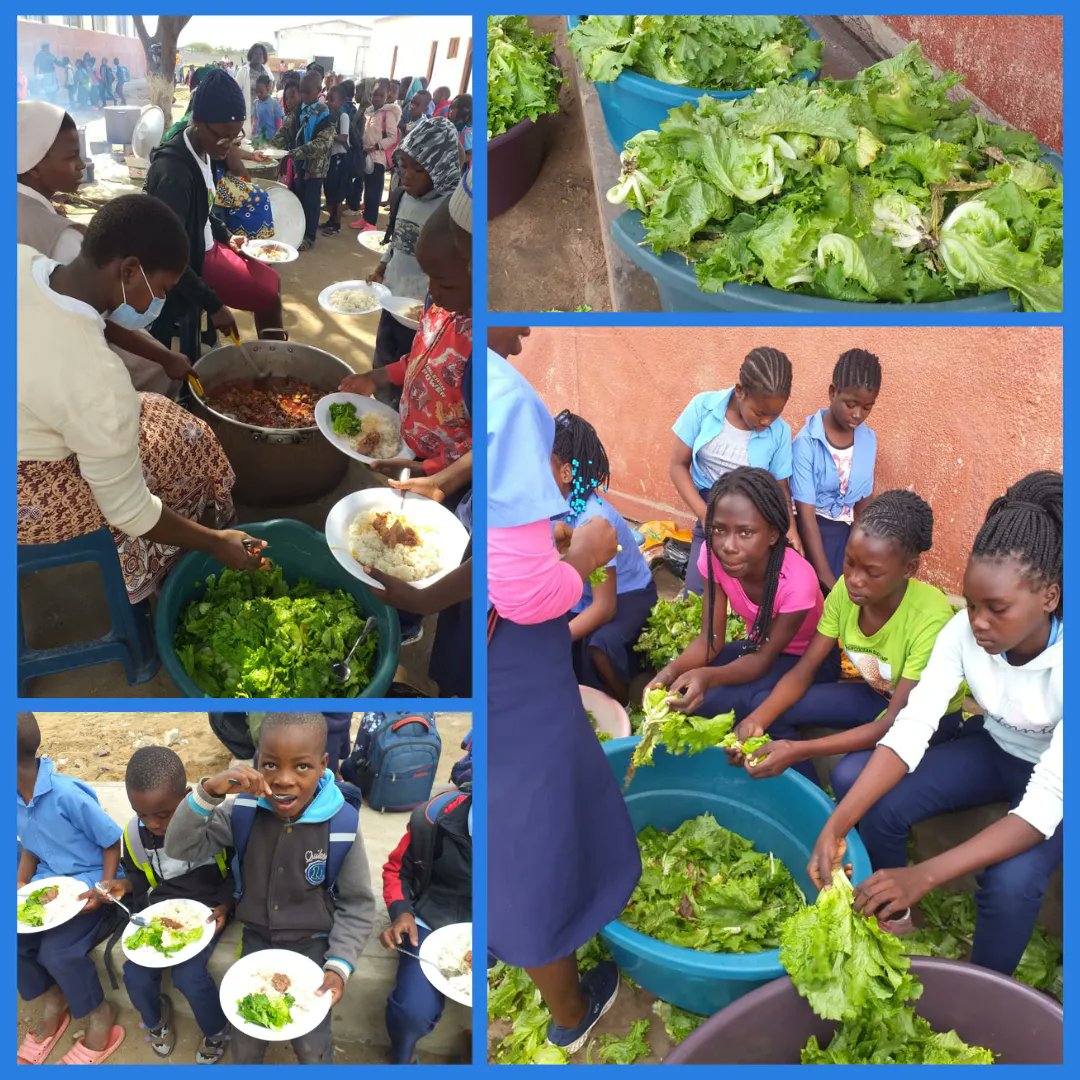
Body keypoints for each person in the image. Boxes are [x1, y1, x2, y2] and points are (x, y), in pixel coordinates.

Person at [810, 471, 1062, 979]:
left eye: (998, 609)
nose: (979, 623)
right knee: (879, 805)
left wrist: (922, 874)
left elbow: (1043, 807)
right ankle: (896, 919)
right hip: (996, 749)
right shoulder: (961, 634)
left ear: (1050, 598)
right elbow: (910, 727)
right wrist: (836, 823)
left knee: (1011, 883)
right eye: (972, 605)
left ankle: (984, 992)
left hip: (1058, 788)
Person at [489, 352, 639, 1053]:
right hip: (519, 679)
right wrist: (576, 559)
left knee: (514, 817)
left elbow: (597, 605)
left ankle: (506, 940)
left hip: (514, 664)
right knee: (536, 834)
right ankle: (570, 1012)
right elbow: (534, 596)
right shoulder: (508, 405)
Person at [18, 194, 267, 602]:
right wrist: (216, 542)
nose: (161, 300)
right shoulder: (96, 378)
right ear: (130, 270)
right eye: (163, 288)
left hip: (27, 424)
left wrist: (163, 355)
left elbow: (84, 314)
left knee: (171, 420)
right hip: (27, 493)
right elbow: (129, 510)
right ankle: (160, 570)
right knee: (188, 446)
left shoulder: (25, 262)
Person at [165, 713, 377, 1064]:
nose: (283, 780)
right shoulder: (243, 812)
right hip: (257, 941)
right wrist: (209, 791)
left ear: (323, 765)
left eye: (302, 767)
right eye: (270, 765)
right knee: (245, 1041)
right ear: (255, 764)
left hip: (314, 946)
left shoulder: (342, 825)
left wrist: (339, 965)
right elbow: (180, 846)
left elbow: (357, 905)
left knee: (313, 1045)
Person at [734, 490, 967, 784]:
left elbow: (894, 721)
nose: (854, 579)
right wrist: (756, 721)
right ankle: (810, 795)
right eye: (850, 562)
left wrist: (798, 750)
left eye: (872, 572)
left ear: (909, 569)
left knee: (848, 774)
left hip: (926, 720)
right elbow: (803, 672)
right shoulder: (844, 592)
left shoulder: (930, 619)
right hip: (874, 695)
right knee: (766, 705)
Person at [18, 100, 195, 396]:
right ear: (35, 165)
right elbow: (97, 318)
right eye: (72, 157)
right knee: (155, 369)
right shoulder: (64, 239)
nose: (82, 165)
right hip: (64, 350)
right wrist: (164, 358)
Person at [649, 466, 837, 719]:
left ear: (772, 534)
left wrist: (707, 677)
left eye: (746, 532)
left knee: (712, 701)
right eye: (718, 529)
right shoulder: (712, 556)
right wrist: (670, 672)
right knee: (681, 686)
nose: (728, 546)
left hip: (808, 662)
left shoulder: (797, 581)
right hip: (758, 647)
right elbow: (711, 640)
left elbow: (762, 661)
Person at [95, 747, 233, 1063]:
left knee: (190, 977)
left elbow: (237, 872)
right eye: (142, 814)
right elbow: (140, 873)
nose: (153, 824)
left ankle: (216, 1030)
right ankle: (156, 1021)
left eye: (163, 814)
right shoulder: (134, 834)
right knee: (135, 973)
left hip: (208, 910)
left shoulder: (213, 823)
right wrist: (126, 885)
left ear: (186, 797)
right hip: (163, 910)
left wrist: (226, 905)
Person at [17, 713, 125, 1064]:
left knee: (57, 953)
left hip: (88, 891)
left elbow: (112, 842)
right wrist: (21, 881)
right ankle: (55, 997)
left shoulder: (66, 794)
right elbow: (31, 844)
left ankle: (99, 1013)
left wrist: (103, 887)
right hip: (47, 888)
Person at [338, 196, 471, 481]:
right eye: (429, 279)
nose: (433, 291)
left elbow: (483, 440)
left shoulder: (481, 346)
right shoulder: (437, 305)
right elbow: (420, 360)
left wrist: (430, 471)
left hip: (443, 472)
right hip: (408, 447)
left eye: (445, 283)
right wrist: (376, 377)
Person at [146, 68, 284, 338]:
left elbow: (202, 212)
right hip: (191, 262)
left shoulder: (204, 150)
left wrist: (227, 235)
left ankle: (275, 361)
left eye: (235, 137)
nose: (228, 145)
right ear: (197, 121)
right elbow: (168, 256)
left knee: (272, 281)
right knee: (269, 296)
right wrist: (214, 304)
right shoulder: (174, 174)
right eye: (223, 136)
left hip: (206, 245)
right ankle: (275, 361)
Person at [549, 411, 658, 705]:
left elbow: (604, 607)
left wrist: (555, 641)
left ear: (565, 473)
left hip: (627, 596)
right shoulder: (550, 505)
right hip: (581, 590)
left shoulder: (594, 521)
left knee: (595, 647)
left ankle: (624, 704)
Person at [671, 347, 798, 595]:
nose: (766, 422)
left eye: (775, 414)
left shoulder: (779, 432)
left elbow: (780, 487)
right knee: (697, 595)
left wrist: (790, 528)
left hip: (753, 521)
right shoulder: (703, 407)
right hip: (709, 512)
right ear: (740, 391)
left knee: (747, 598)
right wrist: (704, 514)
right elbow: (677, 466)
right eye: (760, 413)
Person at [380, 778, 471, 1064]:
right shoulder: (434, 820)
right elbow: (396, 870)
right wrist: (401, 911)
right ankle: (403, 1056)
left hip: (500, 935)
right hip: (431, 926)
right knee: (412, 1010)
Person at [369, 117, 462, 391]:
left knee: (413, 375)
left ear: (441, 170)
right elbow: (397, 241)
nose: (406, 175)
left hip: (423, 314)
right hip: (392, 301)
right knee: (383, 364)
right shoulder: (405, 196)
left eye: (418, 169)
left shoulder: (452, 210)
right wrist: (382, 267)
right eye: (403, 166)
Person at [793, 350, 881, 591]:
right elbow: (806, 515)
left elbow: (863, 505)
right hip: (812, 532)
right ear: (833, 392)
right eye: (851, 404)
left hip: (847, 534)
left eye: (867, 408)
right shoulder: (806, 443)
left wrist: (859, 557)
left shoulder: (868, 440)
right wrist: (826, 578)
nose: (857, 415)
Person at [269, 70, 334, 250]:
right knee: (298, 199)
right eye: (302, 91)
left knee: (311, 203)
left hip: (315, 168)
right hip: (299, 165)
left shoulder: (324, 113)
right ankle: (297, 233)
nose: (304, 96)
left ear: (318, 90)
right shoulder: (300, 110)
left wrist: (298, 152)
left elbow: (323, 143)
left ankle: (309, 237)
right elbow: (287, 131)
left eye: (307, 92)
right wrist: (271, 148)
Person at [351, 79, 400, 230]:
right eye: (374, 95)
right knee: (368, 189)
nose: (376, 98)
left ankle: (371, 223)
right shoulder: (371, 112)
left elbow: (392, 137)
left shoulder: (388, 114)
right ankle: (365, 218)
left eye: (380, 95)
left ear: (387, 96)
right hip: (368, 157)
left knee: (375, 191)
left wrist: (376, 146)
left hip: (378, 158)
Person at [320, 83, 352, 235]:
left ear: (341, 102)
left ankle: (336, 224)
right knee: (330, 190)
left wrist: (329, 136)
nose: (329, 102)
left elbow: (344, 137)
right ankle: (331, 220)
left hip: (341, 158)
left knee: (338, 194)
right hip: (331, 158)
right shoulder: (329, 116)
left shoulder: (343, 116)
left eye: (332, 99)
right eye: (328, 98)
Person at [252, 72, 284, 141]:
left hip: (271, 139)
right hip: (259, 139)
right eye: (256, 92)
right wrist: (253, 133)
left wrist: (277, 137)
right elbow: (255, 120)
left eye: (261, 92)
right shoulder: (256, 103)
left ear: (268, 88)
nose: (258, 94)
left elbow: (279, 122)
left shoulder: (274, 103)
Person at [449, 94, 473, 166]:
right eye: (451, 108)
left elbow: (471, 154)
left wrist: (458, 162)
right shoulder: (453, 125)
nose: (450, 111)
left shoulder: (466, 132)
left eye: (454, 108)